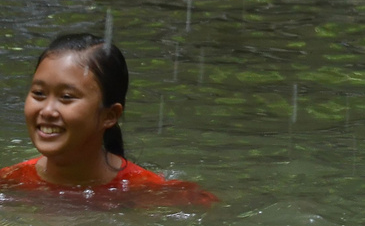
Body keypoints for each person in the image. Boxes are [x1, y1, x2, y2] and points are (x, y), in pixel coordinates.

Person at [1, 34, 212, 203]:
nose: (47, 110)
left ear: (109, 116)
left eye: (66, 97)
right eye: (38, 93)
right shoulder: (9, 183)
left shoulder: (148, 191)